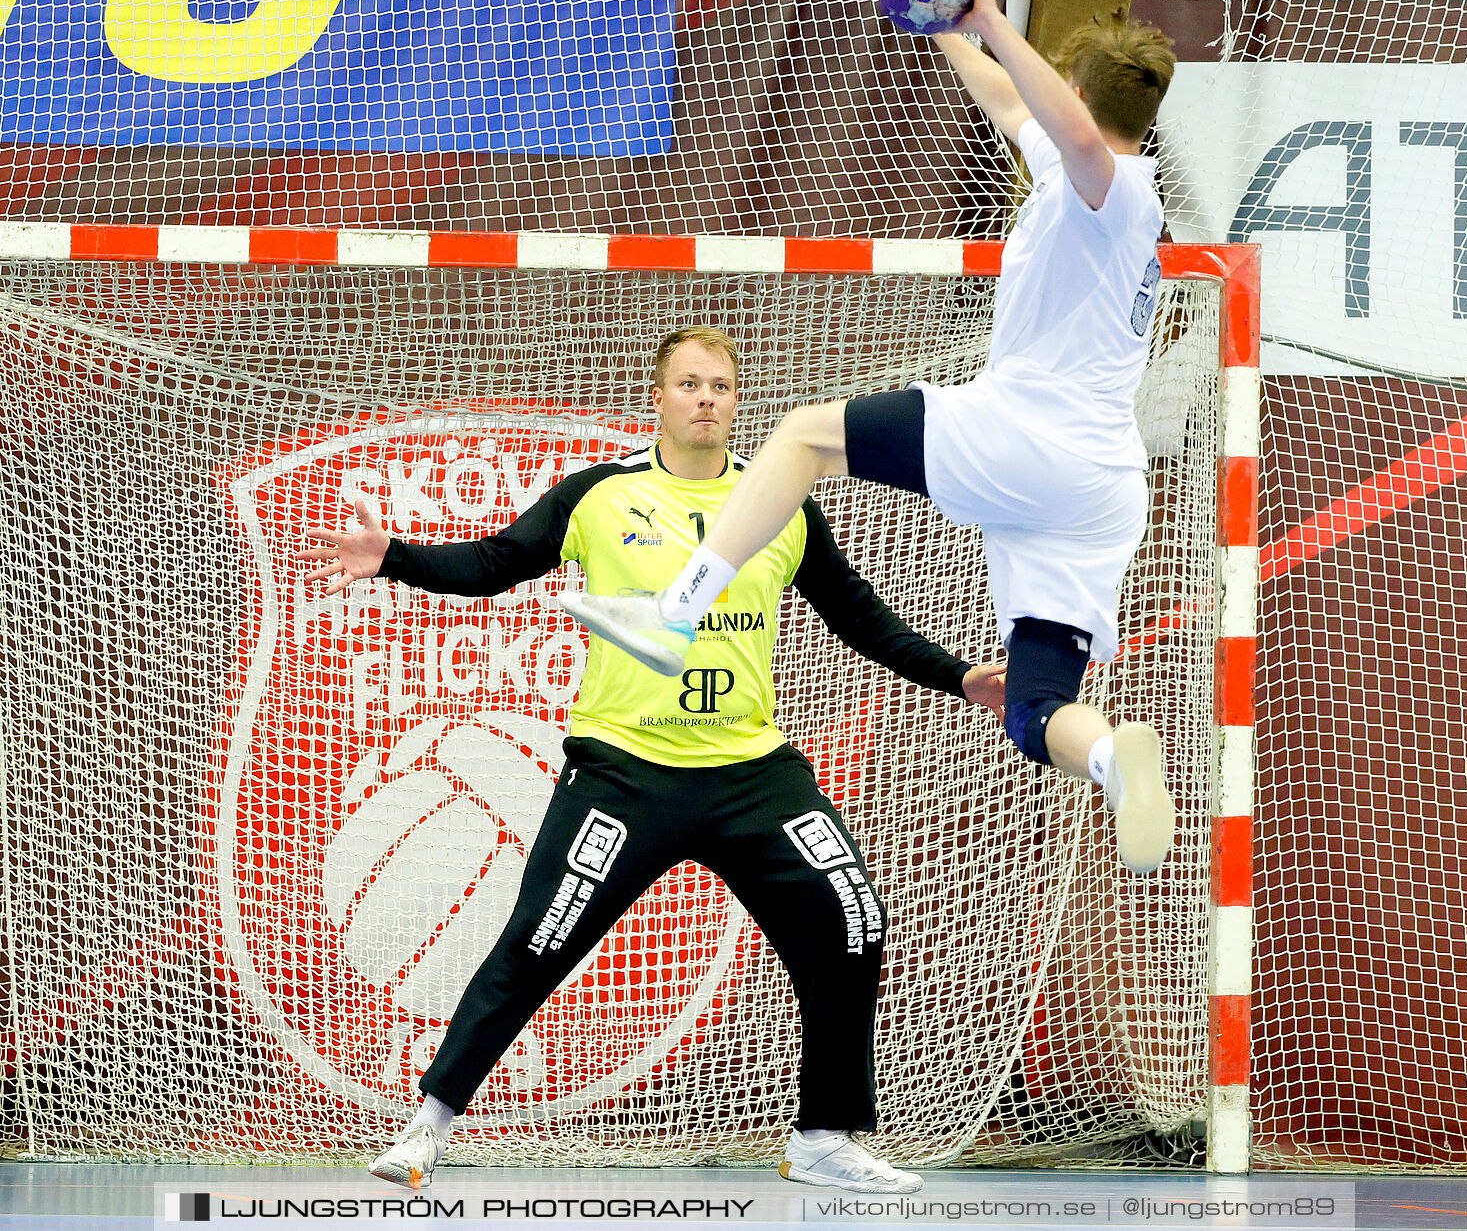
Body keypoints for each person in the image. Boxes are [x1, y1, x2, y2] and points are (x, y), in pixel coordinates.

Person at [298, 326, 1009, 1193]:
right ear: (661, 397)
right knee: (540, 937)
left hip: (751, 770)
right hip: (625, 770)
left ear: (737, 402)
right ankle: (426, 1127)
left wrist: (963, 677)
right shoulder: (601, 496)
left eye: (721, 385)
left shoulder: (779, 502)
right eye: (689, 383)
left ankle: (823, 1135)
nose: (706, 398)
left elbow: (860, 615)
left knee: (850, 918)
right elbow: (498, 560)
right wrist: (393, 559)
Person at [559, 0, 1179, 876]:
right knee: (1034, 704)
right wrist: (947, 27)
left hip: (1031, 439)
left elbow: (1072, 132)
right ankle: (1108, 761)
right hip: (1096, 491)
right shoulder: (1073, 171)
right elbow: (1018, 107)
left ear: (1081, 92)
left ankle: (674, 614)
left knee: (805, 435)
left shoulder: (1119, 195)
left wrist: (999, 21)